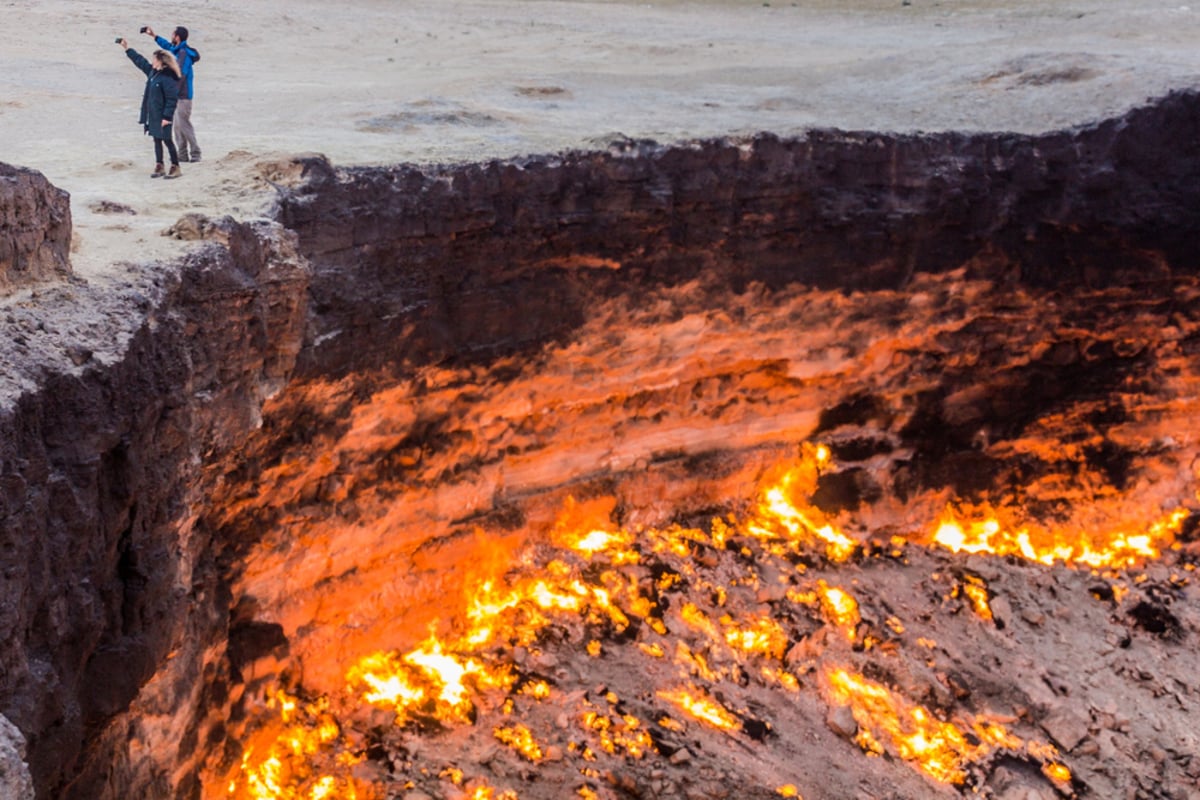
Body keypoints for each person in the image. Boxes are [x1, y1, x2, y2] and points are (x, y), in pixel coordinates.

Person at [117, 39, 182, 179]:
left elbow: (172, 99)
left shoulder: (167, 78)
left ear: (161, 61)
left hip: (163, 115)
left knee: (167, 140)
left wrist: (167, 117)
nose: (152, 61)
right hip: (153, 114)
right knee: (156, 139)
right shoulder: (153, 73)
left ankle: (175, 167)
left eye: (154, 59)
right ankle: (159, 166)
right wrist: (127, 49)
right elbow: (141, 62)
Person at [143, 24, 201, 162]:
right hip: (175, 95)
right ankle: (182, 155)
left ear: (177, 37)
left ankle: (196, 153)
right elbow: (167, 47)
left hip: (184, 95)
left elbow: (181, 75)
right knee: (176, 126)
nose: (171, 36)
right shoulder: (176, 50)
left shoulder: (184, 53)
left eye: (172, 34)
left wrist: (170, 92)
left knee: (183, 124)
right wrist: (154, 36)